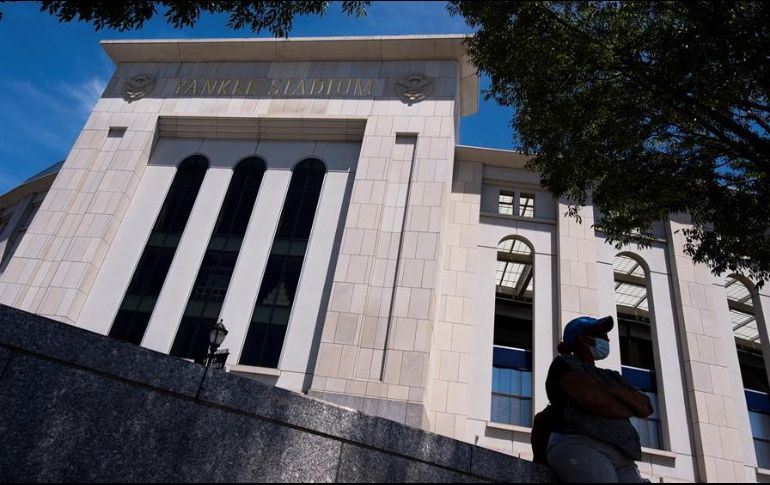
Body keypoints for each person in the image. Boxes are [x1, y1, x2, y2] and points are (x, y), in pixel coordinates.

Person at [544, 316, 654, 483]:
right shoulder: (565, 363)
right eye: (600, 334)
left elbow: (645, 407)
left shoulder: (612, 376)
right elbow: (594, 399)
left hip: (624, 459)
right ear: (583, 337)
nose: (607, 339)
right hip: (581, 445)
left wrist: (611, 389)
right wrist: (627, 405)